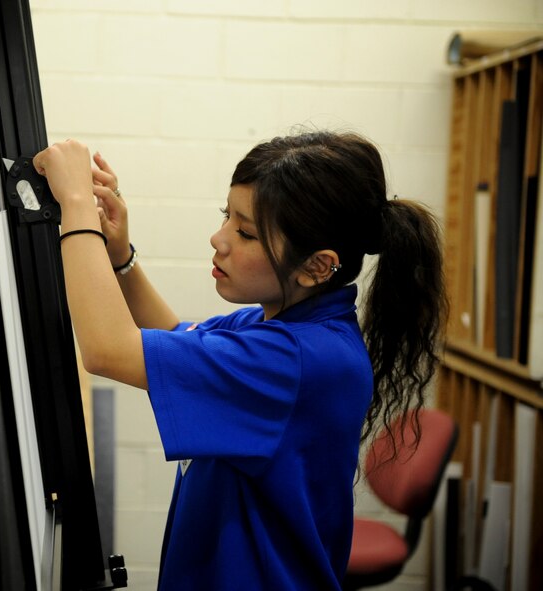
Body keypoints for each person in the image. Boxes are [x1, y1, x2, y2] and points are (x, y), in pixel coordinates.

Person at [32, 130, 447, 590]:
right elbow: (173, 339)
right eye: (226, 216)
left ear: (316, 266)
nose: (219, 238)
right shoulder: (281, 324)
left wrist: (75, 205)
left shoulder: (297, 359)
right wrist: (120, 259)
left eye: (246, 232)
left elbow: (108, 350)